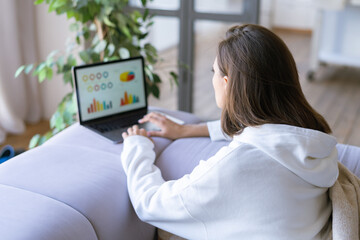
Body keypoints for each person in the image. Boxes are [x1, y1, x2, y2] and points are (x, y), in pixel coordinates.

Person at [121, 24, 339, 239]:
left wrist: (136, 146)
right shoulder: (315, 138)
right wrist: (186, 130)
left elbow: (150, 204)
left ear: (227, 83)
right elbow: (267, 134)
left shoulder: (234, 166)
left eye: (213, 71)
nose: (213, 79)